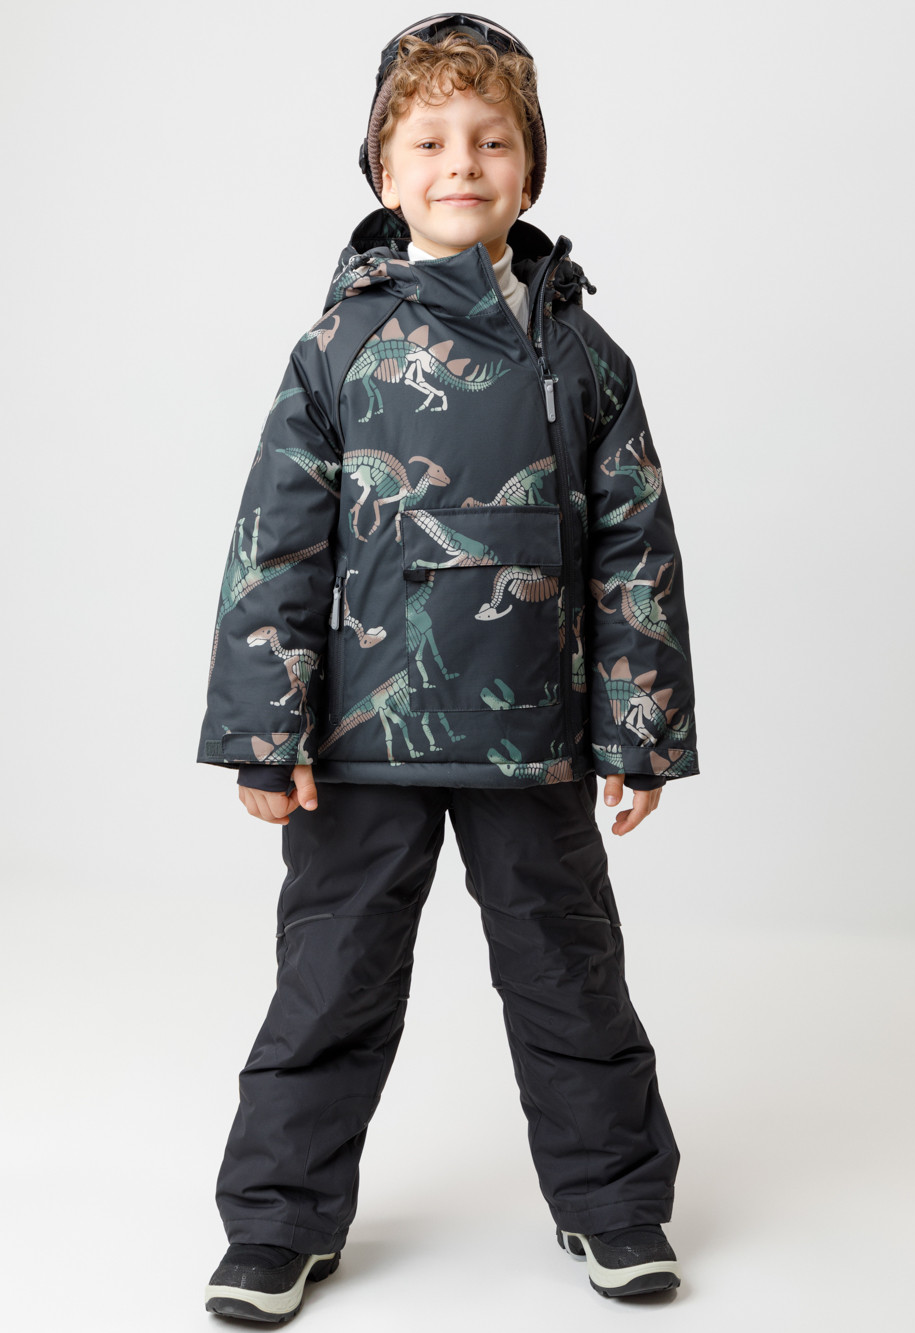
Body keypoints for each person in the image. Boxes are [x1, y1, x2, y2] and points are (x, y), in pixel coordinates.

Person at [197, 12, 699, 1321]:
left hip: (534, 738)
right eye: (428, 141)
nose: (460, 163)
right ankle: (278, 1221)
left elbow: (634, 550)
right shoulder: (337, 349)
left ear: (530, 169)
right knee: (329, 985)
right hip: (362, 741)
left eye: (490, 140)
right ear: (383, 168)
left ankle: (616, 1204)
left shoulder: (585, 358)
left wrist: (640, 726)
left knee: (570, 977)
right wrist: (264, 732)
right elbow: (276, 546)